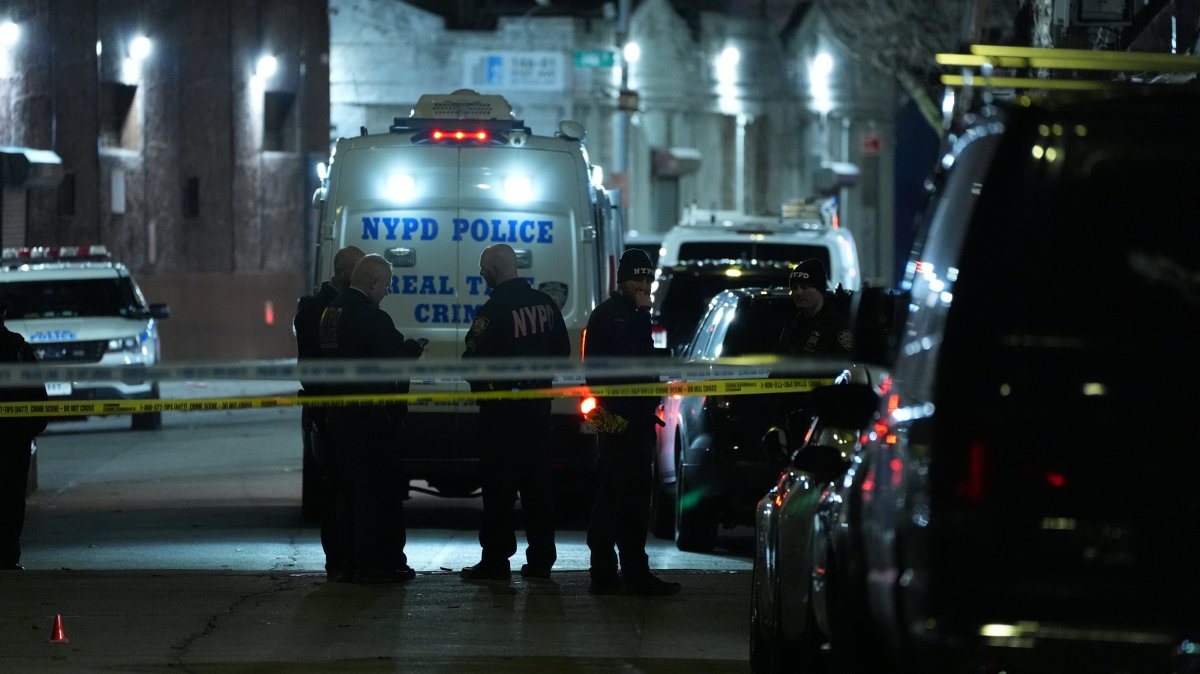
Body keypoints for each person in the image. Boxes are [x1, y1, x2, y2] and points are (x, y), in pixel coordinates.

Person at [459, 244, 571, 582]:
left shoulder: (493, 311)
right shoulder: (546, 304)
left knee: (499, 490)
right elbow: (561, 352)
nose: (481, 274)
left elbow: (473, 364)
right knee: (538, 488)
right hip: (538, 412)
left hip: (502, 417)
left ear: (495, 269)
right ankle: (541, 558)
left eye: (483, 268)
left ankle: (495, 561)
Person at [318, 254, 424, 584]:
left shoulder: (331, 311)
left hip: (337, 413)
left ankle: (348, 563)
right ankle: (370, 565)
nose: (387, 292)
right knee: (372, 492)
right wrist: (411, 349)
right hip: (367, 418)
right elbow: (394, 358)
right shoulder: (368, 314)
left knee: (347, 493)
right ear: (374, 281)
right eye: (387, 285)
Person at [582, 249, 680, 596]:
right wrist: (617, 414)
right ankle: (604, 572)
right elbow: (605, 368)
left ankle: (635, 571)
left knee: (638, 501)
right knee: (613, 495)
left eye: (647, 278)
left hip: (639, 422)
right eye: (637, 278)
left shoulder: (638, 316)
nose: (643, 285)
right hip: (616, 422)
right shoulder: (609, 317)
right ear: (622, 280)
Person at [293, 245, 364, 581]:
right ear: (344, 273)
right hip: (334, 408)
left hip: (321, 407)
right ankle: (343, 559)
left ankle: (337, 560)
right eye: (359, 271)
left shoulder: (311, 307)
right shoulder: (336, 308)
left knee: (333, 486)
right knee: (342, 487)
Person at [0, 298, 49, 571]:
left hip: (14, 435)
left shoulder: (18, 347)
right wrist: (33, 427)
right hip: (13, 437)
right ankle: (7, 556)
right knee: (11, 496)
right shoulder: (17, 347)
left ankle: (7, 555)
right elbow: (37, 392)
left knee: (11, 497)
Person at [777, 259, 853, 358]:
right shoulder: (792, 323)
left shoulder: (836, 326)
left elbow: (846, 366)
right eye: (795, 287)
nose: (798, 293)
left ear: (819, 290)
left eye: (804, 287)